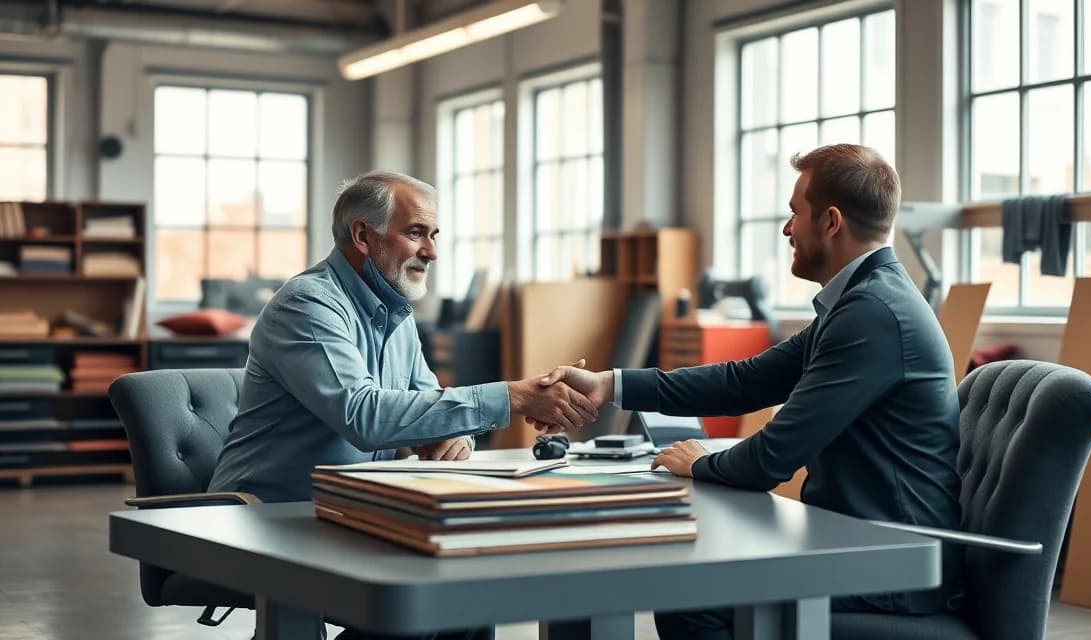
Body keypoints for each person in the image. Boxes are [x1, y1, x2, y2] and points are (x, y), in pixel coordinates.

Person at [536, 144, 963, 638]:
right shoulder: (861, 302)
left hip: (893, 563)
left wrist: (697, 462)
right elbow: (745, 380)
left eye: (793, 214)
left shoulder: (873, 315)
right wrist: (609, 385)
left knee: (691, 598)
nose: (786, 230)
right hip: (859, 540)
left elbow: (770, 459)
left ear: (830, 222)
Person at [208, 171, 597, 640]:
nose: (431, 251)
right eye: (416, 233)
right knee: (419, 608)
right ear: (362, 236)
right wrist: (511, 396)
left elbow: (426, 406)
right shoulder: (308, 304)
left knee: (464, 595)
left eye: (433, 236)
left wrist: (453, 437)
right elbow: (364, 416)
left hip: (349, 514)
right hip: (266, 520)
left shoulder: (396, 313)